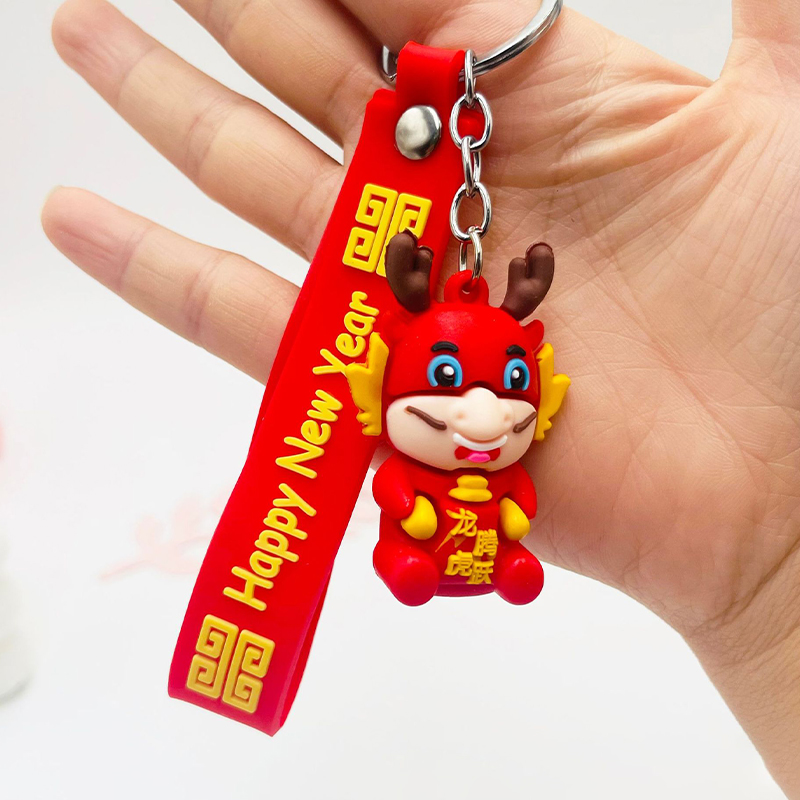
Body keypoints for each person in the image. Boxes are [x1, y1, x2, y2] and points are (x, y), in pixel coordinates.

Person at [41, 0, 800, 794]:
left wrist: (777, 581)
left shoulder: (508, 449)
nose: (483, 412)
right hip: (426, 545)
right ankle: (412, 567)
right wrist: (774, 592)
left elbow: (515, 494)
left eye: (509, 385)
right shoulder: (414, 435)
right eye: (448, 380)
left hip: (486, 546)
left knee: (508, 560)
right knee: (402, 556)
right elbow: (394, 488)